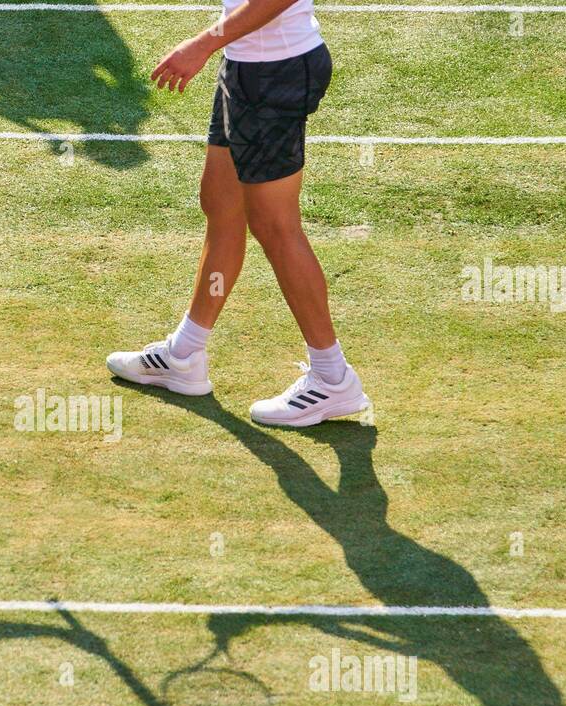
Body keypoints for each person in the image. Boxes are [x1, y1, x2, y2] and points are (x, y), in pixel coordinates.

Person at [106, 0, 369, 427]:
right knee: (221, 203)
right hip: (246, 67)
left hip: (275, 71)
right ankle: (185, 355)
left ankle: (333, 378)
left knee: (276, 226)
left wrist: (202, 44)